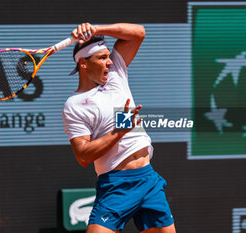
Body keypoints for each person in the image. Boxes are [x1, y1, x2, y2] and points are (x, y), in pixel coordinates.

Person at [62, 22, 176, 233]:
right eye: (102, 58)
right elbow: (83, 156)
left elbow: (138, 33)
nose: (109, 63)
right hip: (116, 184)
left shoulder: (116, 75)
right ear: (83, 64)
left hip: (148, 178)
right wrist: (119, 131)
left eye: (109, 56)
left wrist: (96, 29)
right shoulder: (74, 105)